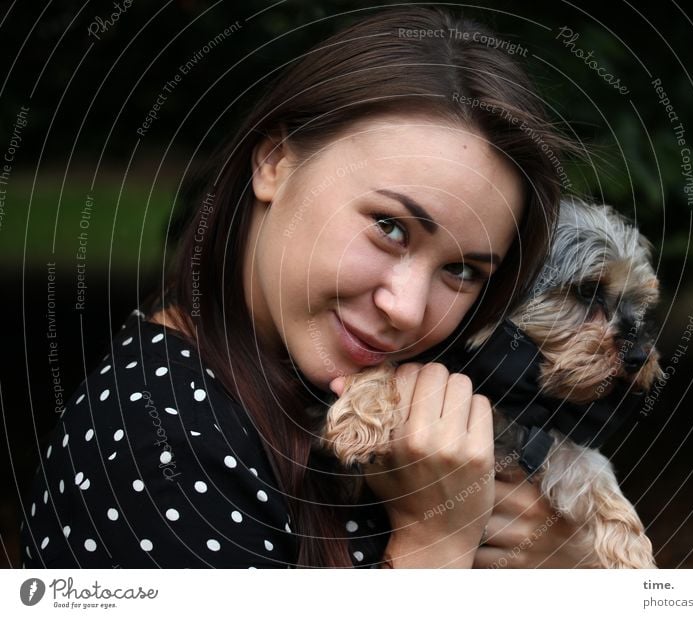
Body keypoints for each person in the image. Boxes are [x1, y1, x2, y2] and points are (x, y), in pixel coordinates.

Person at [20, 6, 577, 568]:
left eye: (462, 271)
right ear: (275, 162)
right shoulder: (161, 448)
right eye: (389, 227)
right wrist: (437, 544)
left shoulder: (378, 427)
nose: (406, 310)